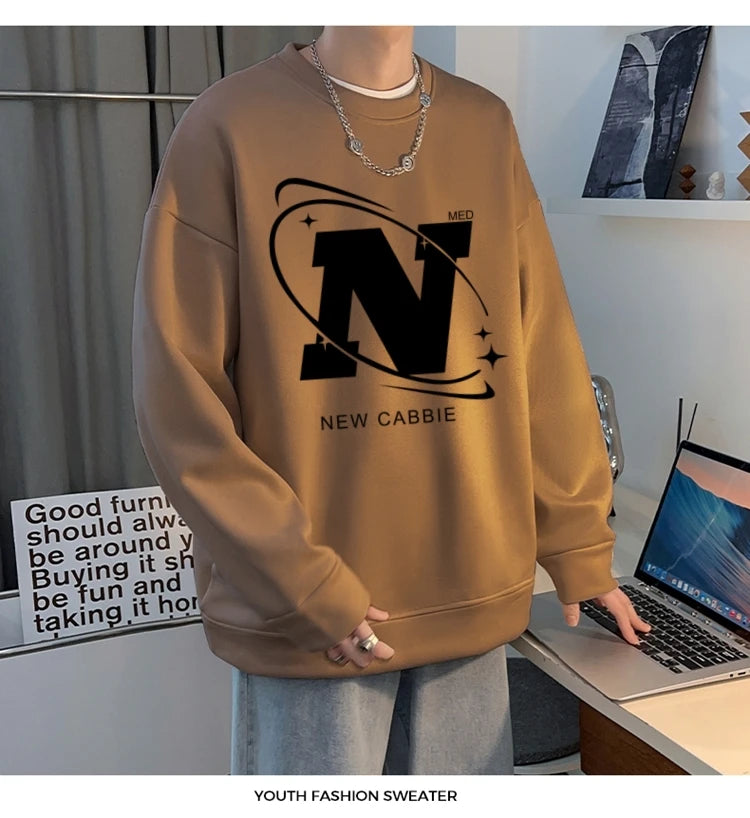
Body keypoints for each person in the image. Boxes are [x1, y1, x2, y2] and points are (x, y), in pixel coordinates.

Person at [131, 26, 650, 775]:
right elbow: (179, 394)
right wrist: (297, 578)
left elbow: (542, 351)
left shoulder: (482, 123)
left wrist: (577, 541)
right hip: (314, 621)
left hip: (471, 594)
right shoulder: (229, 123)